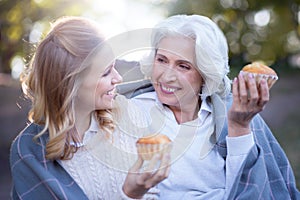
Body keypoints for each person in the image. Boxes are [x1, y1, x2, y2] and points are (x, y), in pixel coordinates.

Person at [117, 14, 300, 199]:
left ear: (205, 73)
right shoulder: (130, 112)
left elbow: (248, 189)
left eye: (183, 66)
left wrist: (239, 127)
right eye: (162, 60)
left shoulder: (232, 114)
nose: (166, 76)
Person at [9, 16, 170, 200]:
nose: (118, 78)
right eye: (105, 73)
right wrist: (129, 195)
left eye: (114, 67)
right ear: (70, 85)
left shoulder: (128, 116)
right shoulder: (28, 153)